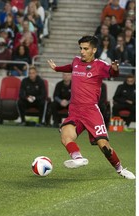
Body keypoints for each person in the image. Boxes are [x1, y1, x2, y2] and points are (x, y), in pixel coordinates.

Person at [47, 35, 135, 179]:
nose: (82, 51)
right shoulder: (76, 61)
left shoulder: (100, 65)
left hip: (91, 111)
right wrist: (57, 68)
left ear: (94, 50)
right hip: (74, 111)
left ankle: (120, 169)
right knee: (65, 136)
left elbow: (112, 73)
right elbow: (71, 67)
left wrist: (115, 69)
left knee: (104, 147)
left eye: (86, 49)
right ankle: (78, 158)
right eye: (81, 48)